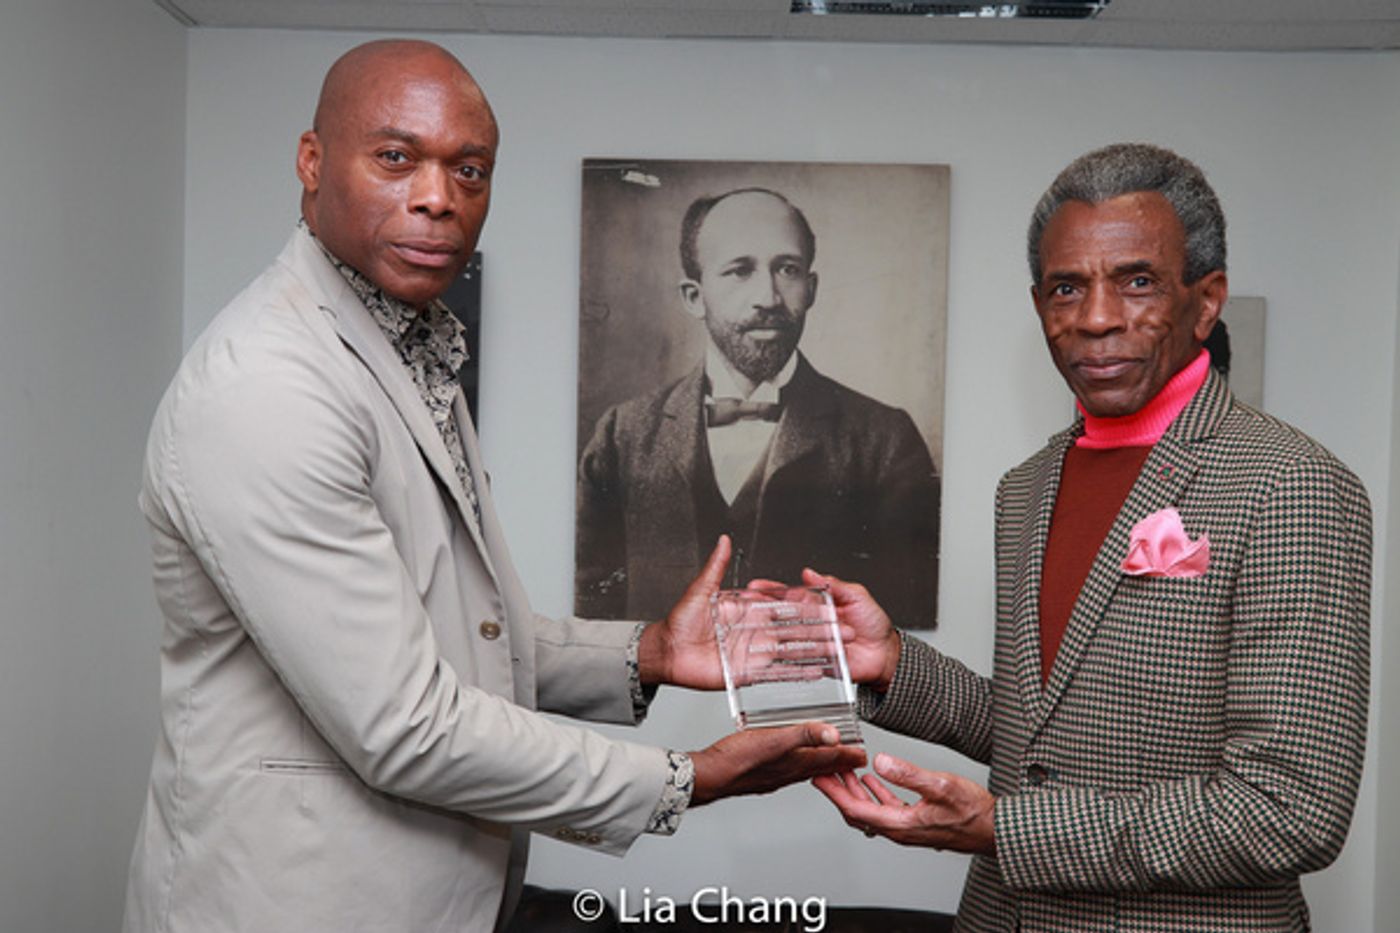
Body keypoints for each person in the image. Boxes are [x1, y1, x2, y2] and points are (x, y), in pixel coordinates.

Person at [121, 40, 864, 933]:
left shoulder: (406, 346)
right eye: (397, 157)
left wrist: (650, 654)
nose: (439, 196)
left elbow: (460, 636)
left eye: (469, 170)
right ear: (312, 163)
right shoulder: (270, 387)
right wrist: (688, 779)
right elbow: (405, 721)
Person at [812, 143, 1371, 932]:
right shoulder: (1027, 486)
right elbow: (1047, 734)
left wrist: (1006, 830)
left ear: (1206, 301)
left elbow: (1291, 806)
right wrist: (897, 664)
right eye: (1067, 287)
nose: (1096, 317)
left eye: (1136, 280)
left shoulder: (1289, 484)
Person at [575, 187, 941, 626]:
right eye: (739, 271)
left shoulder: (885, 441)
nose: (767, 297)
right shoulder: (622, 435)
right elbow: (592, 628)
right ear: (694, 296)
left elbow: (906, 632)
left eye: (787, 269)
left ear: (811, 288)